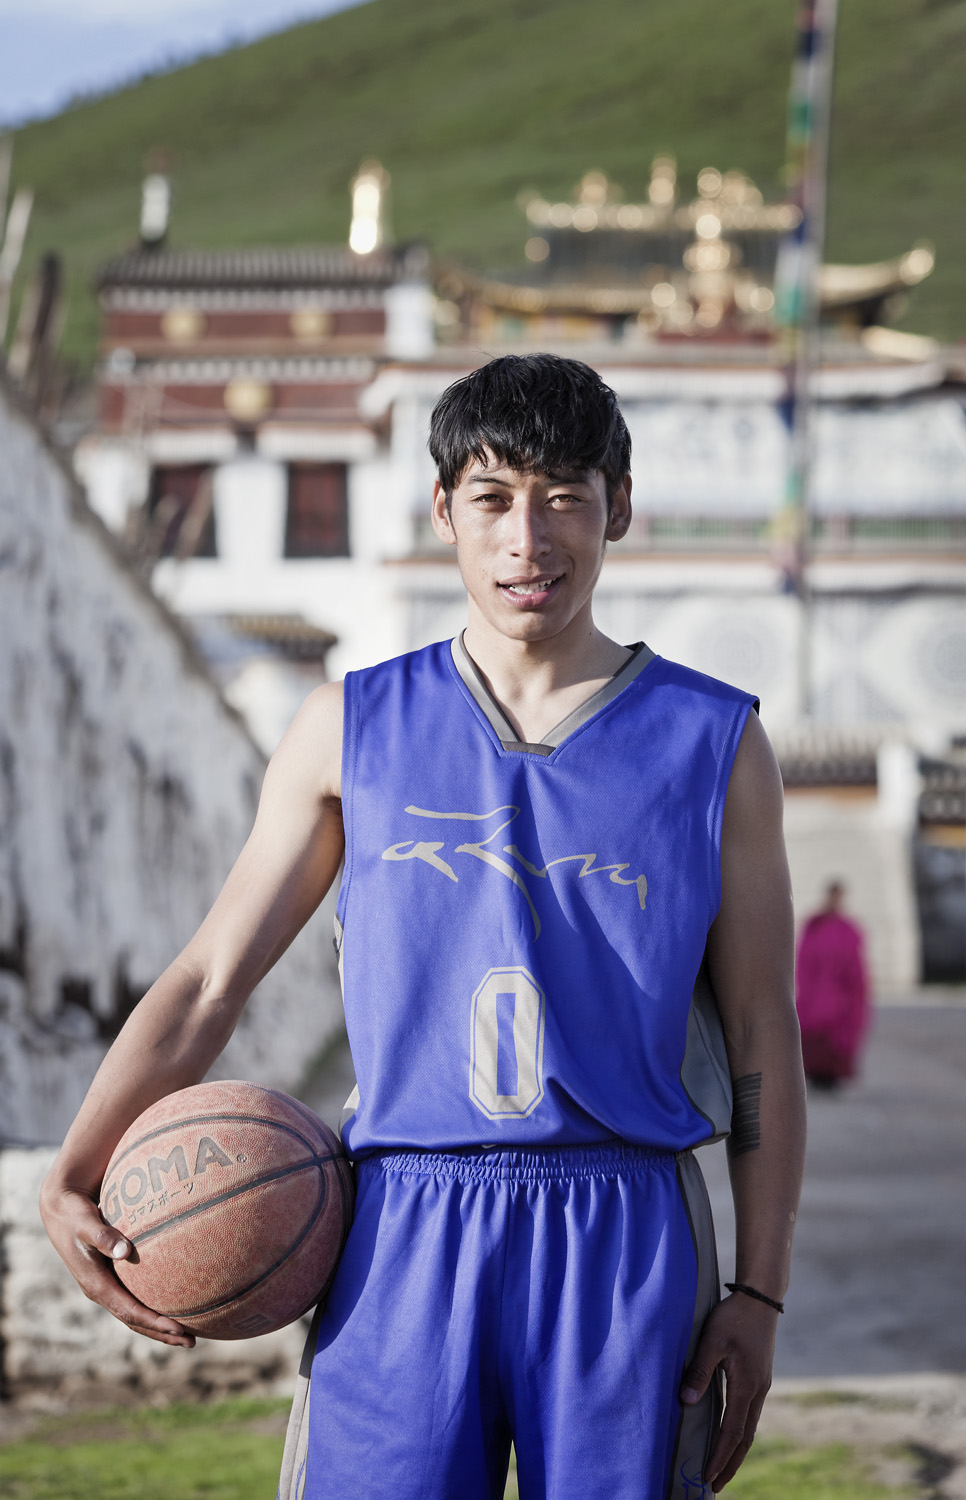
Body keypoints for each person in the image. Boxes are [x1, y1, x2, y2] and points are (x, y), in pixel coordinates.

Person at [41, 354, 806, 1500]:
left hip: (628, 1228)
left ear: (620, 510)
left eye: (566, 498)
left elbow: (762, 1035)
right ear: (442, 510)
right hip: (402, 1220)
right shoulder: (348, 727)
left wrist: (759, 1294)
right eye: (493, 498)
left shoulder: (716, 742)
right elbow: (210, 980)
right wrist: (79, 1167)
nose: (527, 541)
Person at [795, 880, 870, 1089]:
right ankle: (815, 1076)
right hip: (815, 991)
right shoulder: (814, 926)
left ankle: (833, 1077)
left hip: (839, 994)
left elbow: (856, 965)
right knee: (813, 1035)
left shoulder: (849, 929)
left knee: (836, 1036)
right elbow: (804, 959)